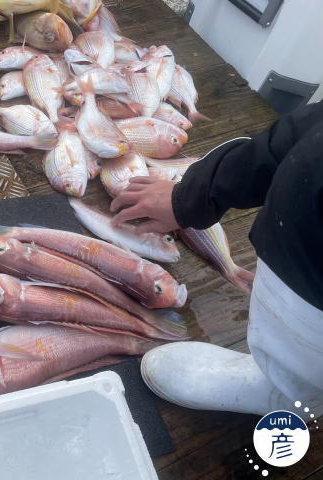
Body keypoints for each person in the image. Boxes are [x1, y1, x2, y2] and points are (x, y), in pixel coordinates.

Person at [110, 101, 323, 416]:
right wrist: (189, 197)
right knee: (290, 340)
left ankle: (288, 394)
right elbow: (300, 134)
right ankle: (280, 382)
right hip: (293, 250)